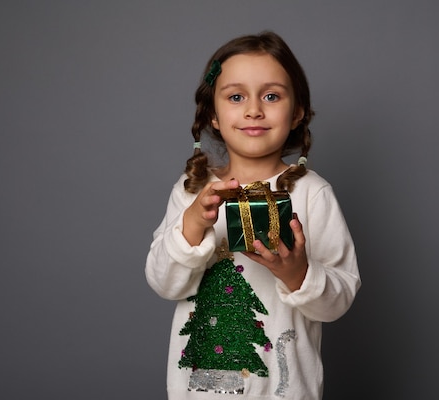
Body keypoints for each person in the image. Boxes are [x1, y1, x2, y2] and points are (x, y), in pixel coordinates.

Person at [146, 31, 360, 399]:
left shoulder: (310, 193)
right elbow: (165, 284)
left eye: (271, 96)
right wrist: (194, 225)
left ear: (297, 113)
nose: (254, 110)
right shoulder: (192, 190)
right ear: (212, 114)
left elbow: (337, 301)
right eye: (236, 96)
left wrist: (298, 274)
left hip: (284, 390)